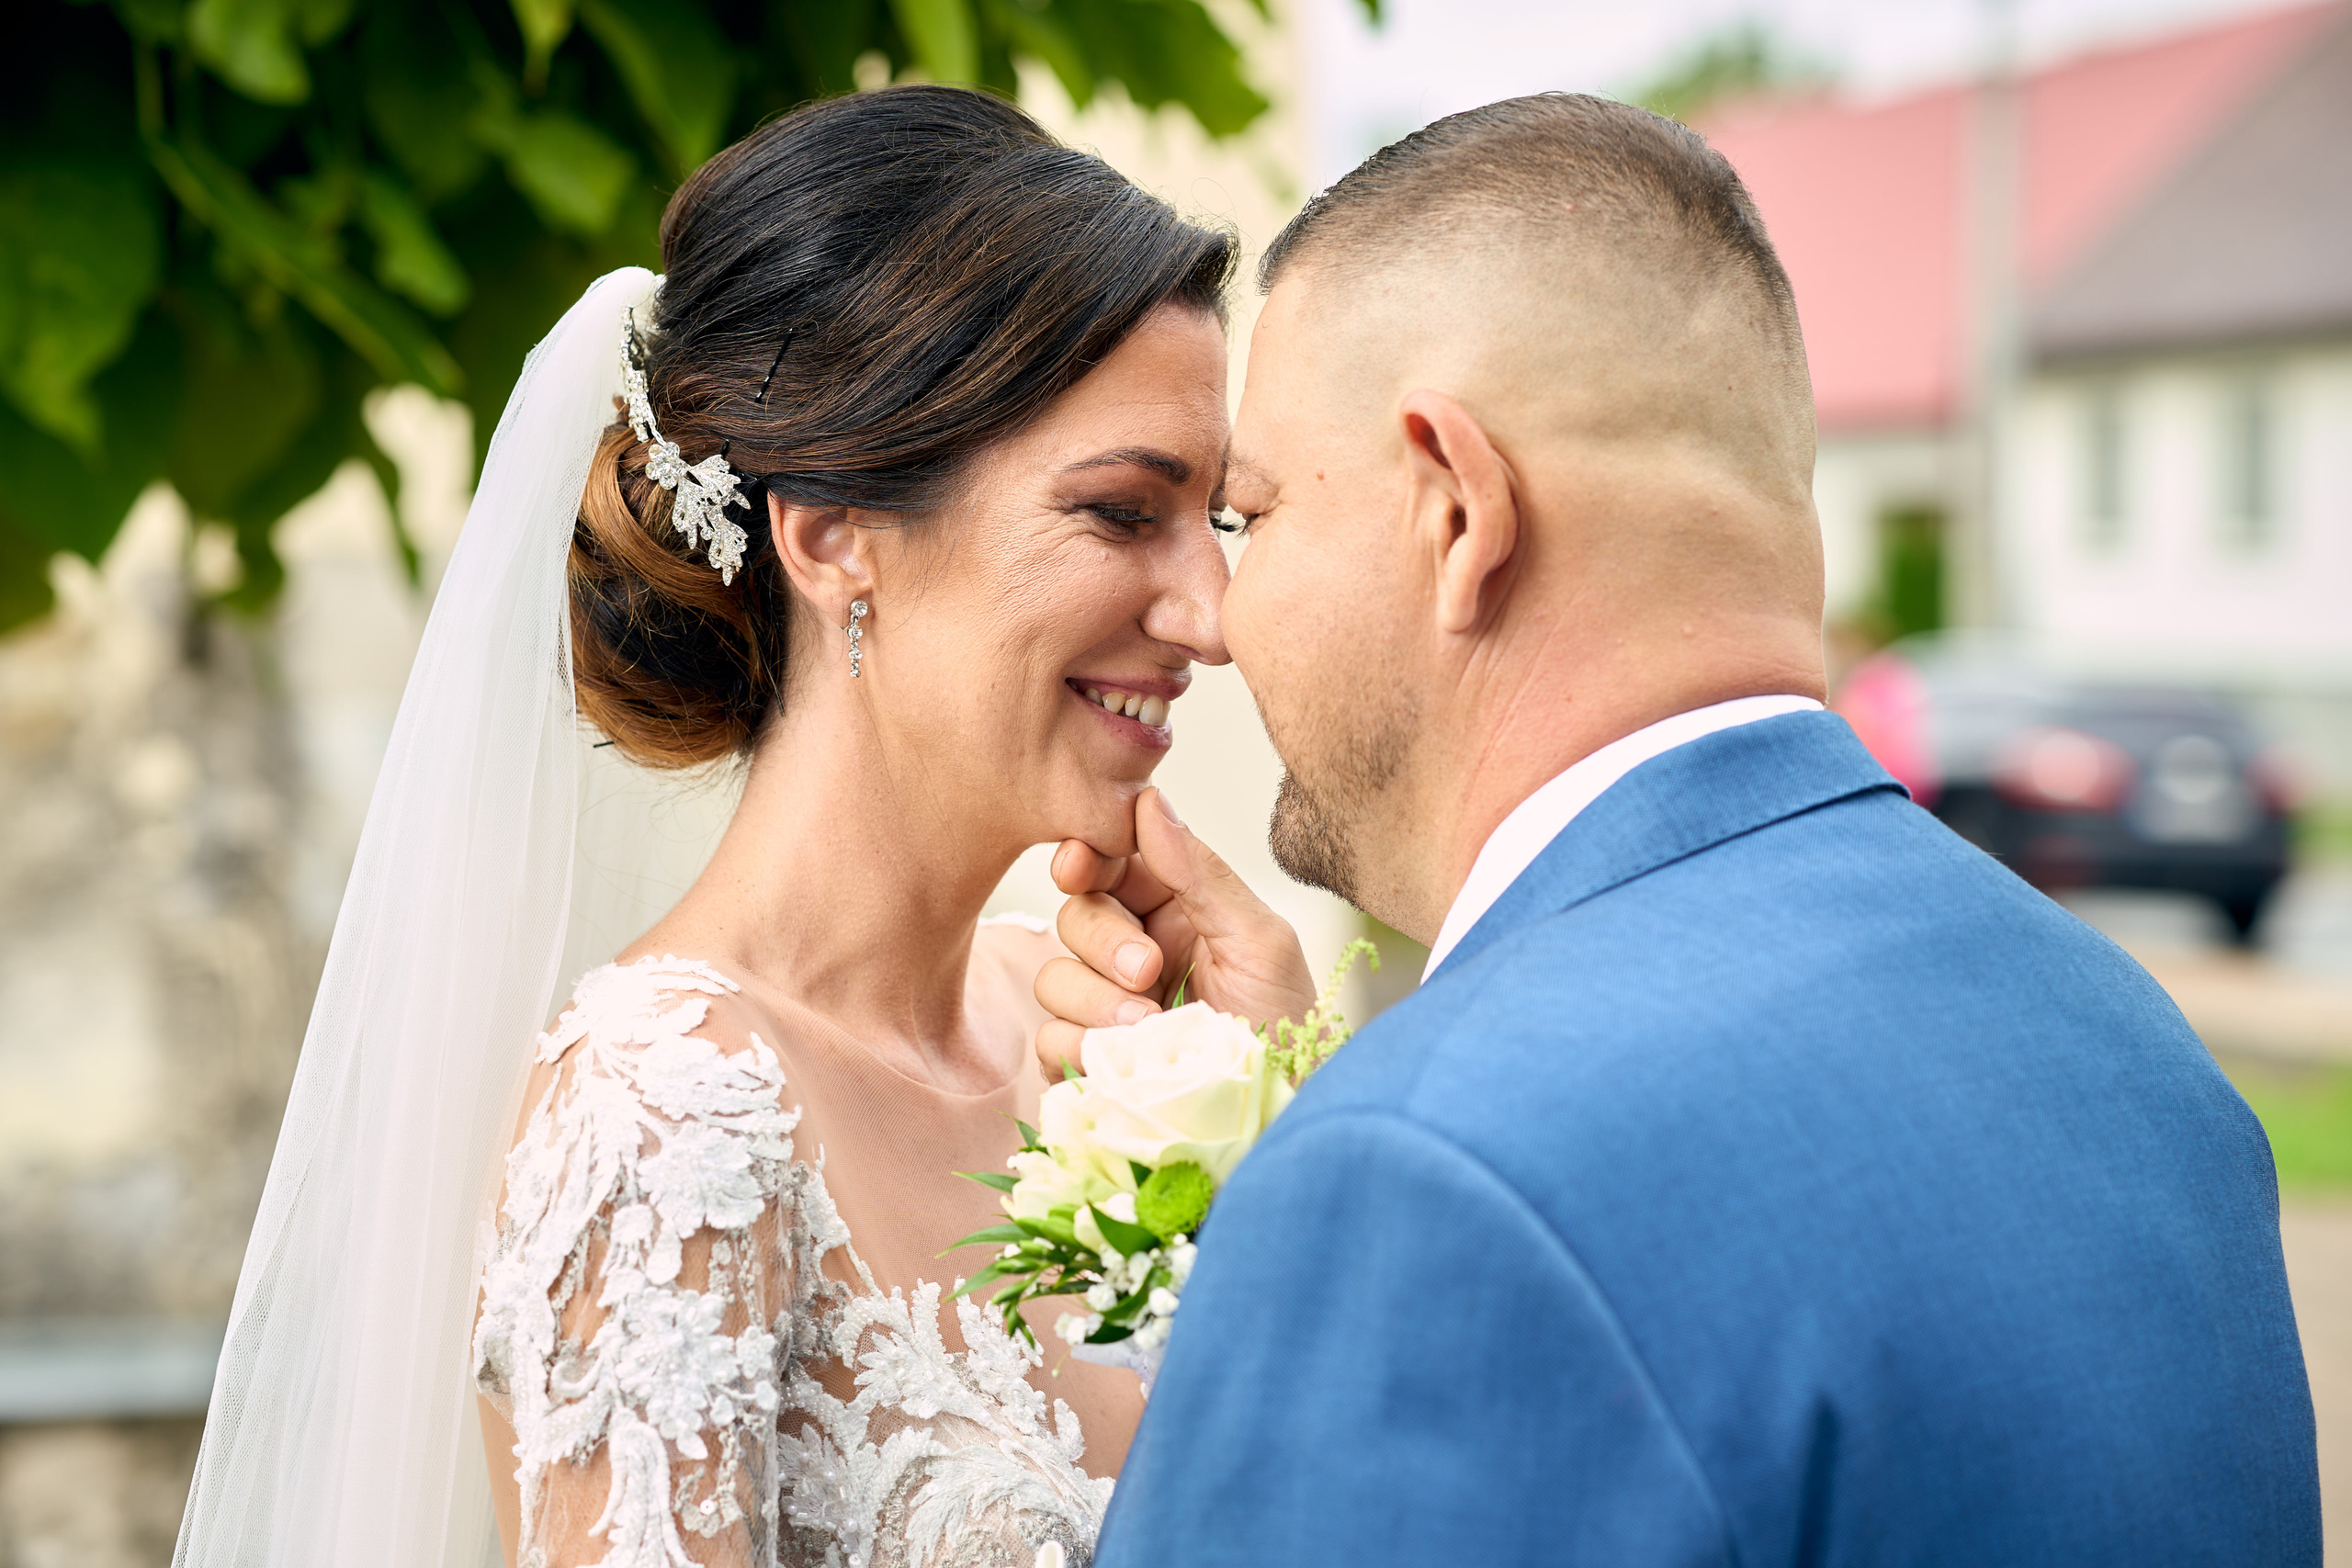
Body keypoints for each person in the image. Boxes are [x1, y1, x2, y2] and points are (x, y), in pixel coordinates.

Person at [1037, 95, 2322, 1565]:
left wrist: (1354, 1158)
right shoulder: (2133, 1052)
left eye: (1253, 519)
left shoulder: (1426, 1176)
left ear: (1456, 512)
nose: (1213, 616)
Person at [175, 86, 1236, 1567]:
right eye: (1126, 514)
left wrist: (1283, 1152)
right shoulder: (668, 1114)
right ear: (831, 532)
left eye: (1223, 524)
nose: (1214, 616)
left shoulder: (1116, 1050)